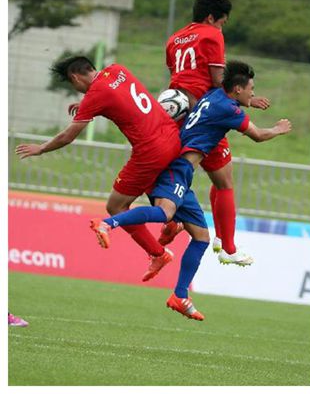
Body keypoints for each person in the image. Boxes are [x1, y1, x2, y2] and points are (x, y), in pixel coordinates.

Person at [89, 61, 291, 320]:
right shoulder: (228, 109)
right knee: (164, 212)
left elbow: (231, 104)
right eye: (251, 89)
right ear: (238, 89)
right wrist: (278, 129)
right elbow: (258, 135)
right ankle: (108, 224)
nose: (253, 92)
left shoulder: (214, 95)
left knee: (201, 237)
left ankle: (180, 295)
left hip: (182, 170)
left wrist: (249, 102)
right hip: (177, 166)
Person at [15, 57, 179, 282]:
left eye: (73, 85)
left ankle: (158, 254)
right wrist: (86, 105)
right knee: (150, 184)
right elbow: (119, 96)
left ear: (75, 77)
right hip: (171, 137)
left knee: (116, 206)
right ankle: (173, 222)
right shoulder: (118, 69)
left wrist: (41, 148)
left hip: (150, 150)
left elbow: (68, 136)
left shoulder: (95, 95)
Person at [162, 0, 270, 262]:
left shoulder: (174, 39)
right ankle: (228, 248)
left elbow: (177, 75)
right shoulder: (212, 35)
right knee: (224, 182)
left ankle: (176, 222)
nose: (222, 27)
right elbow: (218, 79)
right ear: (211, 18)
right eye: (222, 22)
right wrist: (244, 98)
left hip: (175, 112)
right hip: (205, 114)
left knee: (182, 172)